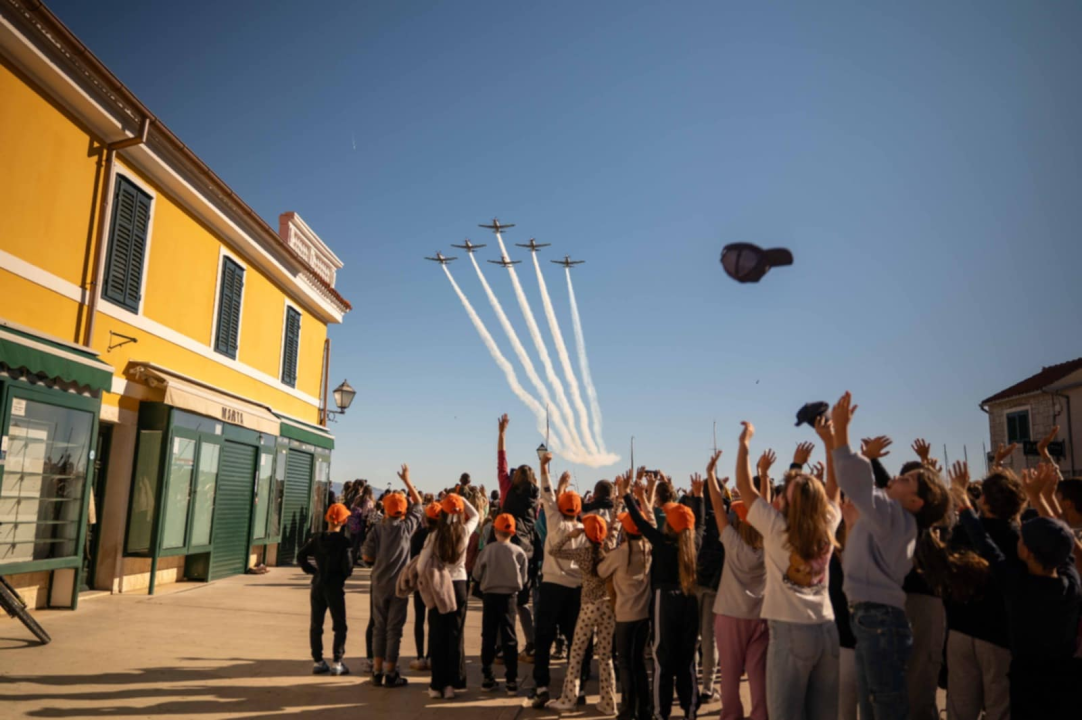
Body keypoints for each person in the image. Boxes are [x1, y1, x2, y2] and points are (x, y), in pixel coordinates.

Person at [829, 392, 951, 720]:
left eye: (907, 479)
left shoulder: (892, 514)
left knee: (884, 708)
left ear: (916, 502)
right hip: (877, 618)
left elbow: (853, 480)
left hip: (879, 621)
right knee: (877, 707)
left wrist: (841, 432)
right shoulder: (900, 519)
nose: (898, 477)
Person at [952, 460, 1082, 717]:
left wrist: (962, 499)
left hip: (1028, 684)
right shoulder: (1071, 583)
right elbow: (1063, 538)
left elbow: (986, 544)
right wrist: (1038, 496)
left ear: (1028, 552)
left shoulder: (1018, 586)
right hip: (1065, 682)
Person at [738, 418, 841, 720]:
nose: (779, 494)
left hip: (789, 629)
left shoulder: (776, 528)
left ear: (787, 503)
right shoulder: (828, 524)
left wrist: (744, 444)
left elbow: (745, 487)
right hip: (826, 628)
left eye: (786, 490)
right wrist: (829, 441)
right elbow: (833, 487)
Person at [625, 470, 700, 720]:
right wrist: (697, 498)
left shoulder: (662, 542)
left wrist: (628, 495)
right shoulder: (693, 543)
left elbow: (640, 522)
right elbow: (701, 522)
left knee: (662, 660)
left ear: (670, 524)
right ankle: (690, 711)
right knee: (687, 660)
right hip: (689, 599)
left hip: (664, 601)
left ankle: (661, 714)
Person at [705, 451, 767, 720]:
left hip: (730, 614)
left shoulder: (732, 543)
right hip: (760, 615)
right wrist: (763, 475)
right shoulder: (769, 543)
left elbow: (718, 507)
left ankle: (731, 716)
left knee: (729, 674)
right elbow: (764, 506)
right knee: (758, 676)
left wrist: (710, 475)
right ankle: (761, 715)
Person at [531, 452, 588, 709]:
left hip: (552, 585)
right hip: (575, 589)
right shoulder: (586, 531)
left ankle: (541, 686)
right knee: (576, 640)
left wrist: (544, 467)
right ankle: (577, 685)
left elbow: (546, 495)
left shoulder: (554, 522)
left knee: (543, 638)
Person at [549, 512, 618, 714]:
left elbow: (554, 551)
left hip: (588, 605)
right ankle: (609, 702)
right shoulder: (609, 549)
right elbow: (614, 529)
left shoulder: (581, 553)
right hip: (607, 606)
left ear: (585, 534)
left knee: (577, 653)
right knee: (606, 657)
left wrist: (571, 536)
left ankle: (569, 698)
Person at [362, 465, 423, 688]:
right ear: (403, 510)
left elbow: (367, 556)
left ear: (385, 510)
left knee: (379, 626)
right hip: (400, 585)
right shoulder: (407, 527)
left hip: (378, 583)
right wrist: (408, 481)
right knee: (394, 629)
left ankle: (377, 671)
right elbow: (419, 504)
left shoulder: (377, 529)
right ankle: (391, 672)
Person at [599, 475, 653, 720]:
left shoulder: (620, 554)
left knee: (626, 664)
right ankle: (645, 709)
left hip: (624, 616)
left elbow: (601, 571)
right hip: (644, 616)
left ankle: (628, 708)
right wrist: (642, 495)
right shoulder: (649, 549)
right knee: (640, 663)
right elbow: (650, 520)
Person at [423, 490, 479, 700]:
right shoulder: (464, 532)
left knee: (437, 634)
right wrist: (461, 500)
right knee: (455, 636)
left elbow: (421, 565)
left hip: (439, 585)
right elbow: (476, 516)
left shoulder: (434, 535)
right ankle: (451, 685)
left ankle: (436, 684)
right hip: (459, 584)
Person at [496, 414, 541, 660]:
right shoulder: (537, 501)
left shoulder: (506, 489)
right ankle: (531, 644)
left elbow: (501, 463)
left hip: (507, 546)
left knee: (504, 600)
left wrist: (502, 433)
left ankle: (503, 647)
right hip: (528, 550)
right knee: (522, 601)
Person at [473, 513, 529, 694]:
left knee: (488, 636)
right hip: (509, 597)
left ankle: (487, 677)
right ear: (513, 532)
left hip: (490, 596)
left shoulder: (487, 550)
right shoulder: (519, 552)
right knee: (509, 637)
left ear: (495, 530)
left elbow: (476, 573)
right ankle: (511, 680)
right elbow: (524, 577)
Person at [298, 502, 354, 676]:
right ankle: (337, 661)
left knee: (316, 624)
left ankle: (318, 660)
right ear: (344, 521)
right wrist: (342, 576)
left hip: (318, 584)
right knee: (339, 624)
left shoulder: (316, 539)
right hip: (334, 586)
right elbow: (348, 567)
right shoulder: (344, 543)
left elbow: (301, 555)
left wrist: (313, 571)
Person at [409, 502, 442, 672]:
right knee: (433, 619)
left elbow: (413, 558)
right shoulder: (443, 536)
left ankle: (420, 655)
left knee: (419, 618)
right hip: (436, 581)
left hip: (420, 580)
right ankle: (431, 655)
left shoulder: (418, 536)